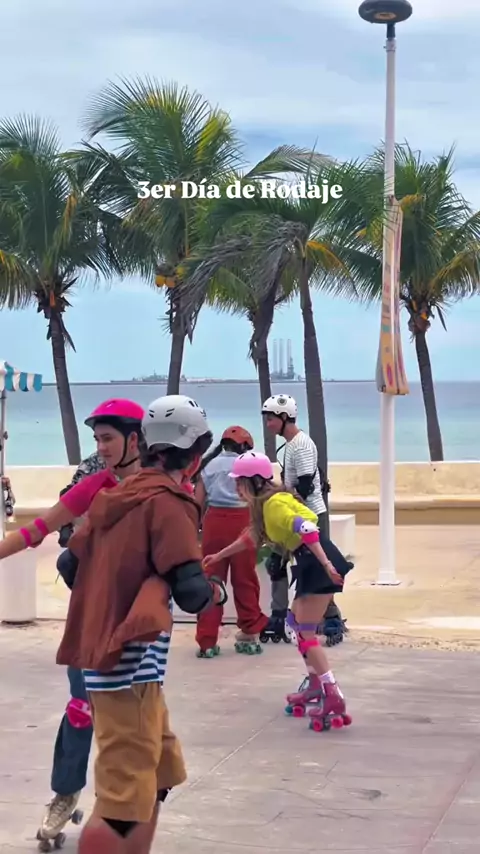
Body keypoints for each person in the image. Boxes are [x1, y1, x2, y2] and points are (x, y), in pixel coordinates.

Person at [52, 394, 226, 854]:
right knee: (122, 802)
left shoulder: (116, 496)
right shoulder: (169, 502)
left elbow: (69, 565)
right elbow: (193, 593)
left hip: (121, 668)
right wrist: (218, 591)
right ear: (194, 458)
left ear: (144, 445)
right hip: (125, 672)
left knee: (158, 774)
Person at [35, 399, 146, 850]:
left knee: (134, 719)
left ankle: (122, 802)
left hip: (135, 620)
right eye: (97, 439)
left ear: (134, 439)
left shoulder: (159, 482)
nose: (101, 447)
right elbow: (63, 522)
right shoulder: (91, 472)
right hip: (91, 608)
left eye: (107, 438)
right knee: (81, 707)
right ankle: (65, 794)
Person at [203, 450, 353, 733]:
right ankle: (315, 684)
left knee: (306, 634)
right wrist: (219, 556)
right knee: (294, 623)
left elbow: (306, 528)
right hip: (311, 561)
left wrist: (326, 565)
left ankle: (332, 693)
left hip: (317, 561)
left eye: (239, 482)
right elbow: (251, 537)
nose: (236, 487)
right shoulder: (265, 506)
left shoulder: (274, 504)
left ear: (254, 481)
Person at [260, 393, 347, 646]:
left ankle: (332, 618)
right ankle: (278, 615)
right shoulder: (290, 445)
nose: (268, 424)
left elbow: (305, 487)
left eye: (271, 419)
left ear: (285, 417)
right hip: (291, 515)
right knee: (276, 564)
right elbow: (292, 486)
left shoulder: (302, 445)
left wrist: (283, 497)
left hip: (309, 517)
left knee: (318, 569)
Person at [194, 426, 268, 657]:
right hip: (244, 521)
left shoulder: (208, 466)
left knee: (211, 580)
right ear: (244, 446)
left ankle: (207, 641)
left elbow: (198, 502)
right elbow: (260, 496)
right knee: (245, 580)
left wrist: (196, 530)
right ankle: (250, 634)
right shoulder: (248, 464)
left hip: (214, 523)